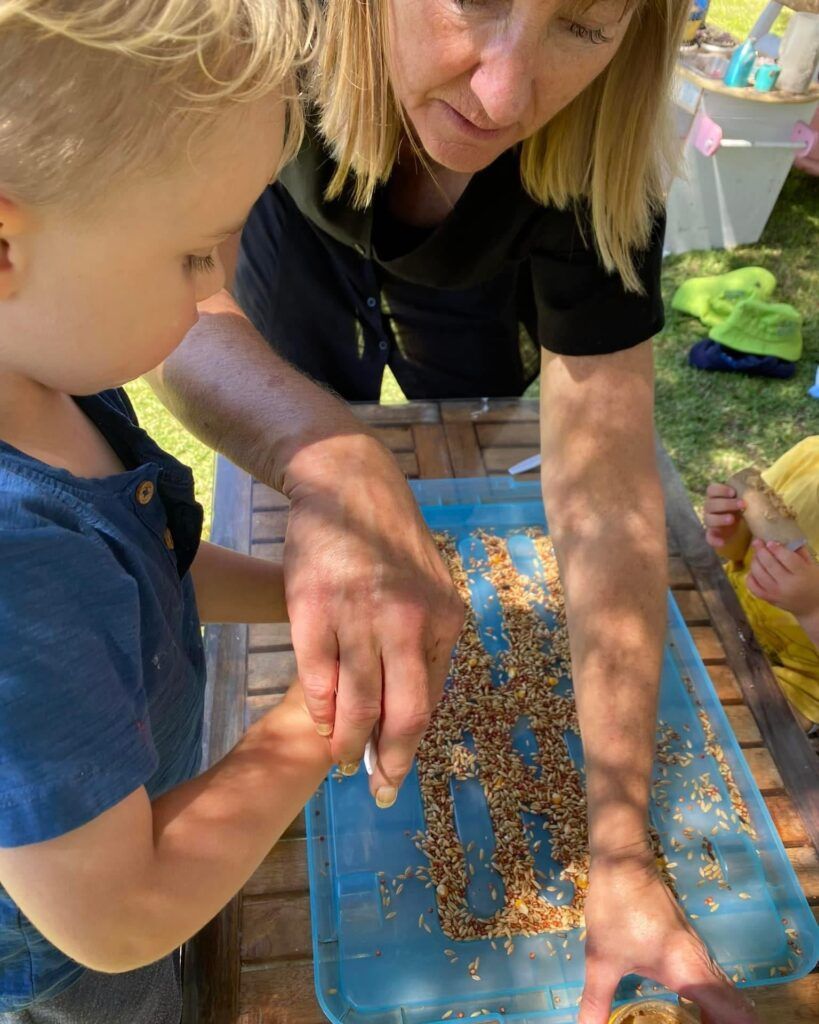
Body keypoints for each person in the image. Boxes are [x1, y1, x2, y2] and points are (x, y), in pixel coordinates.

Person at [151, 3, 758, 1022]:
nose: (506, 95)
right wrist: (331, 458)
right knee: (304, 437)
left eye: (585, 26)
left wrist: (618, 844)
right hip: (291, 224)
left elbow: (604, 478)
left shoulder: (598, 148)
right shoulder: (254, 34)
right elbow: (164, 297)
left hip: (473, 286)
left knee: (464, 402)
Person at [0, 2, 337, 1020]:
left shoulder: (50, 382)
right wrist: (327, 708)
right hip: (74, 972)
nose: (216, 289)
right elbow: (119, 916)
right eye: (195, 253)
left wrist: (301, 599)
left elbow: (145, 568)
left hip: (149, 818)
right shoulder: (16, 567)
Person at [704, 438, 819, 729]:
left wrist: (812, 609)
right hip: (725, 608)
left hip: (796, 685)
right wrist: (730, 530)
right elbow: (740, 548)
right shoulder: (811, 457)